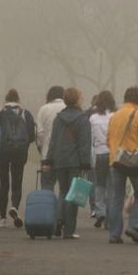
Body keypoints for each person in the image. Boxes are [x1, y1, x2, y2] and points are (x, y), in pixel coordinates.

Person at [42, 87, 91, 239]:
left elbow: (53, 141)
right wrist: (85, 162)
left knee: (63, 192)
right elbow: (84, 143)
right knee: (74, 195)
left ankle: (58, 220)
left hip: (59, 160)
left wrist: (48, 160)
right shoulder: (82, 119)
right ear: (77, 100)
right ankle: (69, 230)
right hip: (75, 162)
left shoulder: (59, 118)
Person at [106, 86, 138, 244]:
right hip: (133, 161)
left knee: (117, 197)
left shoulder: (115, 115)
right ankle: (134, 225)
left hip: (116, 160)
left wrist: (114, 152)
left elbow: (108, 138)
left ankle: (114, 234)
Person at [0, 89, 36, 228]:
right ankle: (14, 207)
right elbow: (32, 135)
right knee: (17, 181)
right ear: (18, 100)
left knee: (4, 183)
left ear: (6, 100)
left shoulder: (0, 113)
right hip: (20, 152)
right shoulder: (26, 114)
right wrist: (21, 144)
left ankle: (2, 218)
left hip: (3, 152)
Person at [35, 85, 66, 235]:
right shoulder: (68, 108)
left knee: (47, 187)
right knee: (64, 190)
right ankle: (60, 219)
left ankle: (47, 220)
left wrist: (42, 148)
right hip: (64, 157)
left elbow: (39, 133)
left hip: (47, 156)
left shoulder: (43, 109)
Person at [89, 90, 116, 229]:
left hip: (99, 154)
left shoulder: (93, 118)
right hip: (112, 154)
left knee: (99, 184)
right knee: (111, 186)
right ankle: (111, 216)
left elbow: (91, 139)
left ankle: (100, 211)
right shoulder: (115, 116)